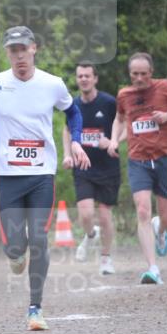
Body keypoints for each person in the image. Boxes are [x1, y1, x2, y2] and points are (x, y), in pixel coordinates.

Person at [0, 26, 91, 331]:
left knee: (39, 239)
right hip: (7, 174)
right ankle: (14, 254)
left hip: (41, 174)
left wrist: (76, 140)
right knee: (14, 246)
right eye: (13, 50)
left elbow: (73, 113)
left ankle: (35, 309)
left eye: (23, 49)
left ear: (34, 48)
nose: (19, 56)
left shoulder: (53, 84)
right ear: (7, 52)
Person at [107, 53, 167, 285]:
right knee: (143, 211)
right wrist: (114, 140)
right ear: (130, 74)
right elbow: (119, 119)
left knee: (166, 217)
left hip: (165, 159)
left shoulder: (165, 87)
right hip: (138, 160)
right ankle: (153, 268)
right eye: (134, 74)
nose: (139, 79)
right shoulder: (124, 95)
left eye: (143, 74)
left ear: (151, 72)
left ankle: (161, 231)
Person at [61, 62, 123, 276]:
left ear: (95, 78)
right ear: (77, 79)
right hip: (83, 166)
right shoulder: (73, 104)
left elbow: (124, 123)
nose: (84, 79)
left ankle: (105, 258)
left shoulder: (108, 102)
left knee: (105, 216)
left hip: (107, 167)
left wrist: (114, 141)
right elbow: (67, 130)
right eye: (80, 76)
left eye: (88, 75)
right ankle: (89, 235)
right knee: (86, 214)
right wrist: (67, 154)